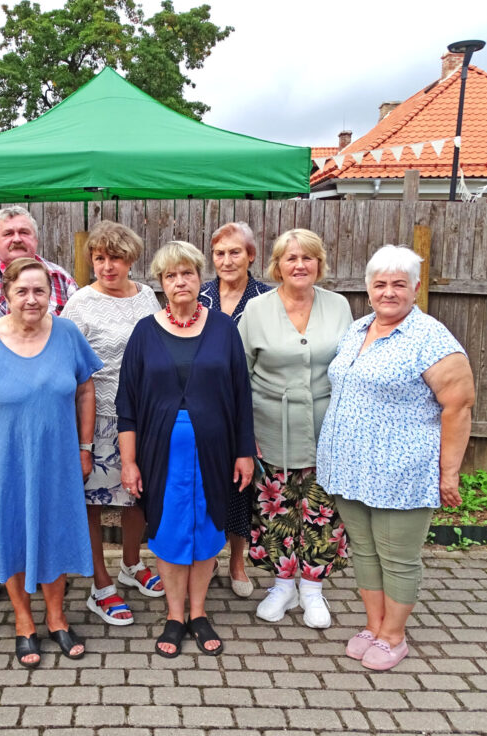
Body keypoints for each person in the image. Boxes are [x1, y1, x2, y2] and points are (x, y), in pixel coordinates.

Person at [317, 244, 474, 671]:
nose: (389, 292)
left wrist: (449, 474)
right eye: (381, 283)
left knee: (397, 557)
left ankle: (394, 636)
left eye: (399, 284)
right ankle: (374, 625)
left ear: (415, 289)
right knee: (365, 551)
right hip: (349, 467)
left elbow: (458, 406)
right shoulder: (358, 329)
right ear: (368, 288)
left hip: (400, 471)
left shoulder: (430, 338)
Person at [0, 258, 101, 668]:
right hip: (6, 465)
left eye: (40, 291)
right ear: (6, 294)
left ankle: (56, 617)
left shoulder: (67, 333)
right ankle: (23, 621)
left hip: (57, 462)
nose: (31, 299)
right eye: (22, 291)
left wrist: (85, 447)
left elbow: (86, 391)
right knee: (11, 534)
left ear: (51, 294)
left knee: (54, 533)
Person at [117, 241, 255, 658]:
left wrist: (244, 452)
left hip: (215, 450)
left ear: (199, 278)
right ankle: (174, 616)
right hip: (160, 453)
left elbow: (241, 396)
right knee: (169, 529)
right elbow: (127, 405)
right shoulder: (145, 332)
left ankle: (199, 613)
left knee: (208, 528)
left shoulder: (223, 329)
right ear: (161, 282)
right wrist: (128, 461)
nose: (180, 281)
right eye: (171, 275)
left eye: (188, 273)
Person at [240, 229, 352, 628]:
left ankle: (313, 590)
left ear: (319, 264)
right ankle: (283, 586)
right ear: (277, 265)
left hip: (326, 428)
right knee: (276, 510)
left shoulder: (339, 306)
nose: (300, 265)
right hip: (270, 426)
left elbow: (349, 367)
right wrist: (244, 433)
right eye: (291, 258)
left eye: (308, 257)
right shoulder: (256, 310)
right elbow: (239, 374)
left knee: (322, 511)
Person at [62, 221, 164, 627]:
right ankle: (100, 584)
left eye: (116, 258)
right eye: (100, 258)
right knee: (93, 499)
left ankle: (131, 564)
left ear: (131, 260)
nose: (107, 266)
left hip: (143, 415)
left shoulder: (148, 297)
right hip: (98, 415)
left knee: (137, 495)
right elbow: (68, 365)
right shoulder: (79, 303)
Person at [198, 222, 273, 598]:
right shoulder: (200, 294)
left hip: (250, 403)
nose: (226, 260)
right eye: (219, 253)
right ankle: (209, 555)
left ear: (251, 256)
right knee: (208, 483)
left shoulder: (267, 298)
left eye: (235, 252)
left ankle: (237, 561)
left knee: (241, 486)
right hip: (204, 406)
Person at [0, 205, 78, 317]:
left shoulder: (61, 278)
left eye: (24, 232)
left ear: (36, 240)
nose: (17, 239)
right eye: (8, 234)